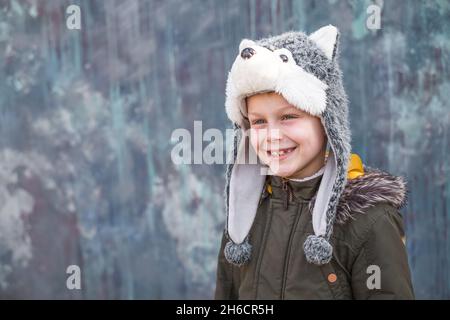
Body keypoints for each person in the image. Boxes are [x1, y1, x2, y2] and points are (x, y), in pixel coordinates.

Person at [214, 25, 414, 299]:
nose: (272, 135)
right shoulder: (245, 216)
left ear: (326, 121)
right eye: (259, 121)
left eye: (288, 117)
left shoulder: (367, 220)